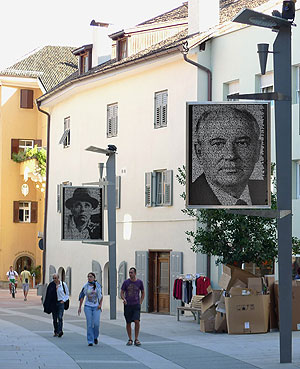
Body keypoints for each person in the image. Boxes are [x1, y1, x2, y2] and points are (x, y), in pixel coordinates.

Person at [190, 106, 267, 206]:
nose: (231, 155)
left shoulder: (264, 192)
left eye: (242, 143)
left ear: (257, 150)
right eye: (218, 144)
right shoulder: (193, 196)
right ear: (199, 152)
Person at [121, 267, 145, 347]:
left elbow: (143, 292)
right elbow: (122, 292)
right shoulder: (126, 282)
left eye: (131, 272)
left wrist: (141, 301)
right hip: (128, 305)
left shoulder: (139, 282)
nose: (130, 274)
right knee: (128, 322)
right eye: (129, 272)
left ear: (135, 273)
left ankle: (136, 339)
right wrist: (123, 299)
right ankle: (130, 339)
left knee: (137, 321)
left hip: (136, 305)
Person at [78, 272, 103, 346]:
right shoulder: (86, 286)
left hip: (96, 307)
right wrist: (79, 307)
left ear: (94, 278)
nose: (89, 278)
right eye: (88, 276)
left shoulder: (98, 286)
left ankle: (95, 337)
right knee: (89, 324)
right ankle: (90, 340)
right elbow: (82, 297)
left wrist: (100, 305)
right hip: (88, 306)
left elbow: (101, 296)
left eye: (91, 276)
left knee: (96, 324)